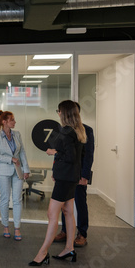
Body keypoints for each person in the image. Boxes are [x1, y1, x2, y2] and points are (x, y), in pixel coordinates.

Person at [29, 100, 86, 266]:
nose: (58, 114)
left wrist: (54, 151)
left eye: (59, 111)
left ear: (65, 113)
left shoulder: (67, 132)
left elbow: (69, 157)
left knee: (51, 214)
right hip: (71, 177)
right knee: (68, 211)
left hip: (65, 179)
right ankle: (69, 248)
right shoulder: (79, 131)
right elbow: (76, 158)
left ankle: (42, 253)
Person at [54, 102, 95, 247]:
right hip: (65, 174)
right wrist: (55, 171)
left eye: (59, 111)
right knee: (65, 205)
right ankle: (65, 231)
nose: (58, 113)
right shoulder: (64, 130)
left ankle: (82, 234)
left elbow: (88, 155)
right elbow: (60, 152)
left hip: (78, 175)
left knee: (80, 203)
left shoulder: (87, 130)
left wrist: (84, 176)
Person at [0, 110, 30, 241]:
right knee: (5, 199)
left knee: (17, 200)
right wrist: (10, 159)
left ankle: (17, 228)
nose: (15, 122)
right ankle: (5, 226)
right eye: (12, 120)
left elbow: (22, 152)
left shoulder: (17, 135)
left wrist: (26, 169)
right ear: (4, 122)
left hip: (18, 171)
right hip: (4, 171)